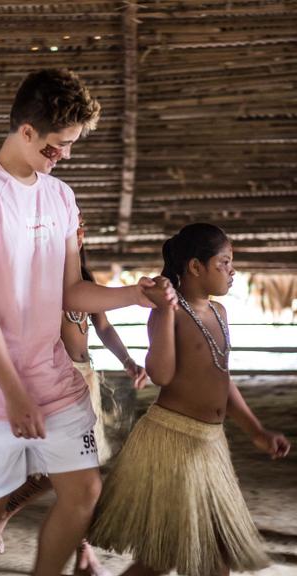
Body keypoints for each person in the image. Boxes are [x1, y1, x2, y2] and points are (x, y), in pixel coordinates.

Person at [0, 67, 176, 576]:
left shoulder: (60, 197)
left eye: (70, 146)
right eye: (55, 146)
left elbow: (71, 290)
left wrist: (134, 294)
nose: (63, 156)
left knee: (84, 489)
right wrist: (13, 393)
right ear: (26, 131)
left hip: (49, 370)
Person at [90, 223, 291, 576]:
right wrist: (166, 312)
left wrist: (255, 429)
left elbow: (221, 378)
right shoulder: (170, 313)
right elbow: (162, 375)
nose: (232, 271)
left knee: (169, 558)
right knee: (186, 558)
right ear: (196, 267)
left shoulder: (219, 314)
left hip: (209, 443)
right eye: (224, 263)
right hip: (174, 442)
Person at [0, 213, 147, 562]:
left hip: (85, 381)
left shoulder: (85, 279)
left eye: (79, 226)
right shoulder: (35, 281)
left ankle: (81, 550)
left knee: (79, 470)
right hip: (50, 382)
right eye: (69, 225)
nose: (78, 231)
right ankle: (9, 515)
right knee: (59, 472)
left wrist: (127, 361)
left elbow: (103, 327)